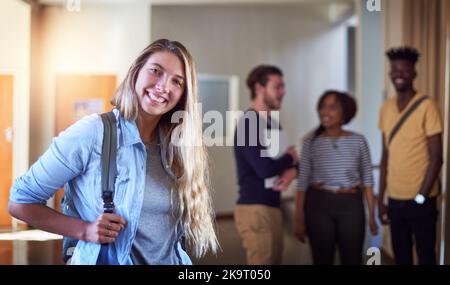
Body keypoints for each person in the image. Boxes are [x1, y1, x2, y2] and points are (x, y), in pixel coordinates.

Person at [8, 39, 219, 265]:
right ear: (136, 72)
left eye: (177, 81)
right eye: (156, 71)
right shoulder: (92, 133)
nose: (163, 86)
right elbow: (20, 202)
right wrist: (84, 230)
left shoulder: (179, 148)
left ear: (183, 94)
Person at [295, 90, 378, 265]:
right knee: (322, 259)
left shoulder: (358, 141)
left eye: (332, 107)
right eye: (323, 107)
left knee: (352, 258)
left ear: (344, 114)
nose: (325, 112)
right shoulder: (311, 142)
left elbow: (368, 180)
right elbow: (302, 183)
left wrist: (372, 215)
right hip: (318, 205)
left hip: (351, 206)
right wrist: (298, 219)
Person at [378, 47, 443, 265]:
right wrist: (381, 199)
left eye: (405, 69)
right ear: (390, 73)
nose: (399, 74)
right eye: (394, 69)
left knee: (425, 255)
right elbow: (385, 157)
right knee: (401, 255)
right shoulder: (386, 108)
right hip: (395, 199)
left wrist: (421, 197)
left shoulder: (427, 106)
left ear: (414, 73)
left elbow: (437, 158)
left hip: (421, 197)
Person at [233, 65, 298, 265]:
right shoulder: (249, 123)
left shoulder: (272, 124)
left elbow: (291, 161)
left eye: (283, 86)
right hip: (255, 209)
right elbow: (265, 168)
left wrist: (292, 171)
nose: (283, 91)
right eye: (277, 86)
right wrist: (289, 159)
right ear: (259, 88)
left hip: (271, 207)